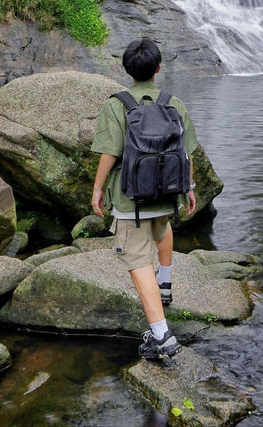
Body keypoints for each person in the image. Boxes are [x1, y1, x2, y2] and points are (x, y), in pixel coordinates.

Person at [91, 37, 197, 360]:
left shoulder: (117, 105)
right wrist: (188, 188)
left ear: (127, 70)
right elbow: (186, 151)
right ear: (158, 69)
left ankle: (162, 336)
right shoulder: (173, 103)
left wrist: (97, 189)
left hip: (130, 200)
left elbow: (110, 153)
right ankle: (164, 282)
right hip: (166, 195)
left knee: (137, 261)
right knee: (161, 230)